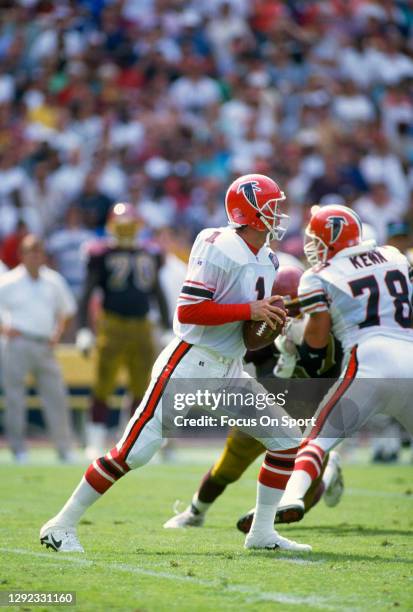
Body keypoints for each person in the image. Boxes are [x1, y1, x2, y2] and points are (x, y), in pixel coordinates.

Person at [40, 173, 311, 553]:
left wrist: (270, 324)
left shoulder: (268, 259)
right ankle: (60, 524)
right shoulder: (217, 243)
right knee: (132, 453)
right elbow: (189, 310)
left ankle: (262, 532)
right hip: (189, 364)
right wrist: (250, 308)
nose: (278, 213)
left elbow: (249, 337)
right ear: (247, 211)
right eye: (271, 206)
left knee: (284, 440)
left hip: (230, 368)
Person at [164, 266, 344, 531]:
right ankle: (195, 512)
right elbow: (234, 355)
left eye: (298, 309)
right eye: (286, 309)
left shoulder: (330, 334)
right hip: (264, 411)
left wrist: (299, 353)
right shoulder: (263, 326)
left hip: (307, 421)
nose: (291, 317)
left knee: (299, 501)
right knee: (226, 468)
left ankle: (329, 474)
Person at [275, 204, 413, 528]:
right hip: (409, 356)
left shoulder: (318, 275)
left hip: (368, 361)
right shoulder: (394, 255)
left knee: (318, 439)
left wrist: (300, 348)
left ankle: (292, 496)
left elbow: (317, 338)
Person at [75, 202, 170, 457]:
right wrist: (84, 329)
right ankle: (95, 439)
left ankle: (132, 439)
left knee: (143, 386)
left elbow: (157, 291)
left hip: (142, 326)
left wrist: (166, 326)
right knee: (103, 382)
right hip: (112, 324)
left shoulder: (150, 253)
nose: (127, 232)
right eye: (122, 226)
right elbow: (86, 293)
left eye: (130, 226)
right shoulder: (101, 253)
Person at [0, 234, 77, 463]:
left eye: (38, 251)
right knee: (15, 399)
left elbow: (66, 310)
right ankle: (18, 449)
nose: (35, 255)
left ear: (43, 255)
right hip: (18, 343)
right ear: (22, 255)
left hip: (45, 344)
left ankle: (64, 448)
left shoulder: (53, 281)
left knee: (56, 397)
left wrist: (58, 332)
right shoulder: (9, 281)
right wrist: (4, 329)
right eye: (30, 251)